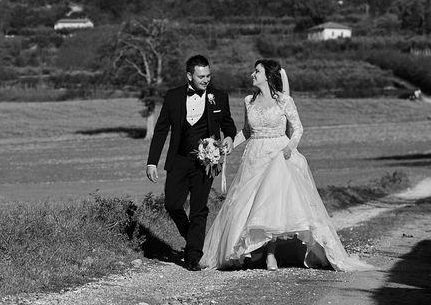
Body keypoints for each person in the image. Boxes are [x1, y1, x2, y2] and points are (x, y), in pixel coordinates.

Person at [200, 59, 372, 272]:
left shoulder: (284, 101)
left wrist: (290, 147)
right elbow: (246, 131)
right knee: (247, 204)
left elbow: (298, 128)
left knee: (272, 204)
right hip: (254, 156)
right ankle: (250, 249)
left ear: (268, 76)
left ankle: (270, 253)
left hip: (278, 154)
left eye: (257, 71)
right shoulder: (248, 101)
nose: (252, 75)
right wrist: (228, 146)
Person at [146, 54, 237, 271]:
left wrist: (230, 137)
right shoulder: (173, 96)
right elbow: (160, 130)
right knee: (172, 204)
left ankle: (193, 256)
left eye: (208, 75)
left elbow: (228, 124)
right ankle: (192, 238)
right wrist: (152, 162)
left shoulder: (219, 97)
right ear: (189, 75)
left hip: (206, 162)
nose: (206, 80)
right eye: (201, 76)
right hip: (178, 159)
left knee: (199, 208)